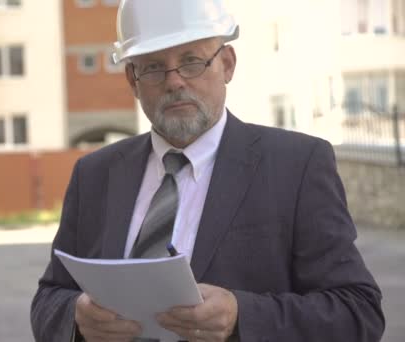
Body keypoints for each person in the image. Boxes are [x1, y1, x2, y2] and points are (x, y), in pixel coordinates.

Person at [31, 0, 385, 341]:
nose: (175, 82)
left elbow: (358, 312)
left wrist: (241, 315)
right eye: (153, 67)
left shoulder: (297, 166)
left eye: (191, 61)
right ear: (132, 79)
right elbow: (49, 297)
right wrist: (76, 316)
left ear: (227, 64)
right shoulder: (94, 175)